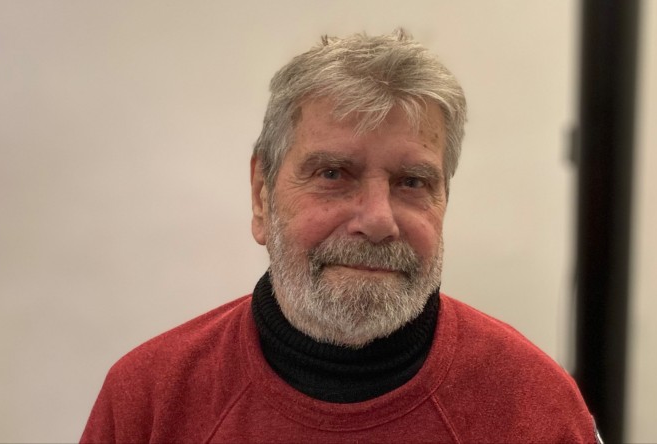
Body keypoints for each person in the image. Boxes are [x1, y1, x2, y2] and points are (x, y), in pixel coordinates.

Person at [81, 29, 598, 443]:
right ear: (261, 195)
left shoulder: (532, 406)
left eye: (412, 182)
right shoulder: (149, 400)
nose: (377, 220)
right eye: (333, 174)